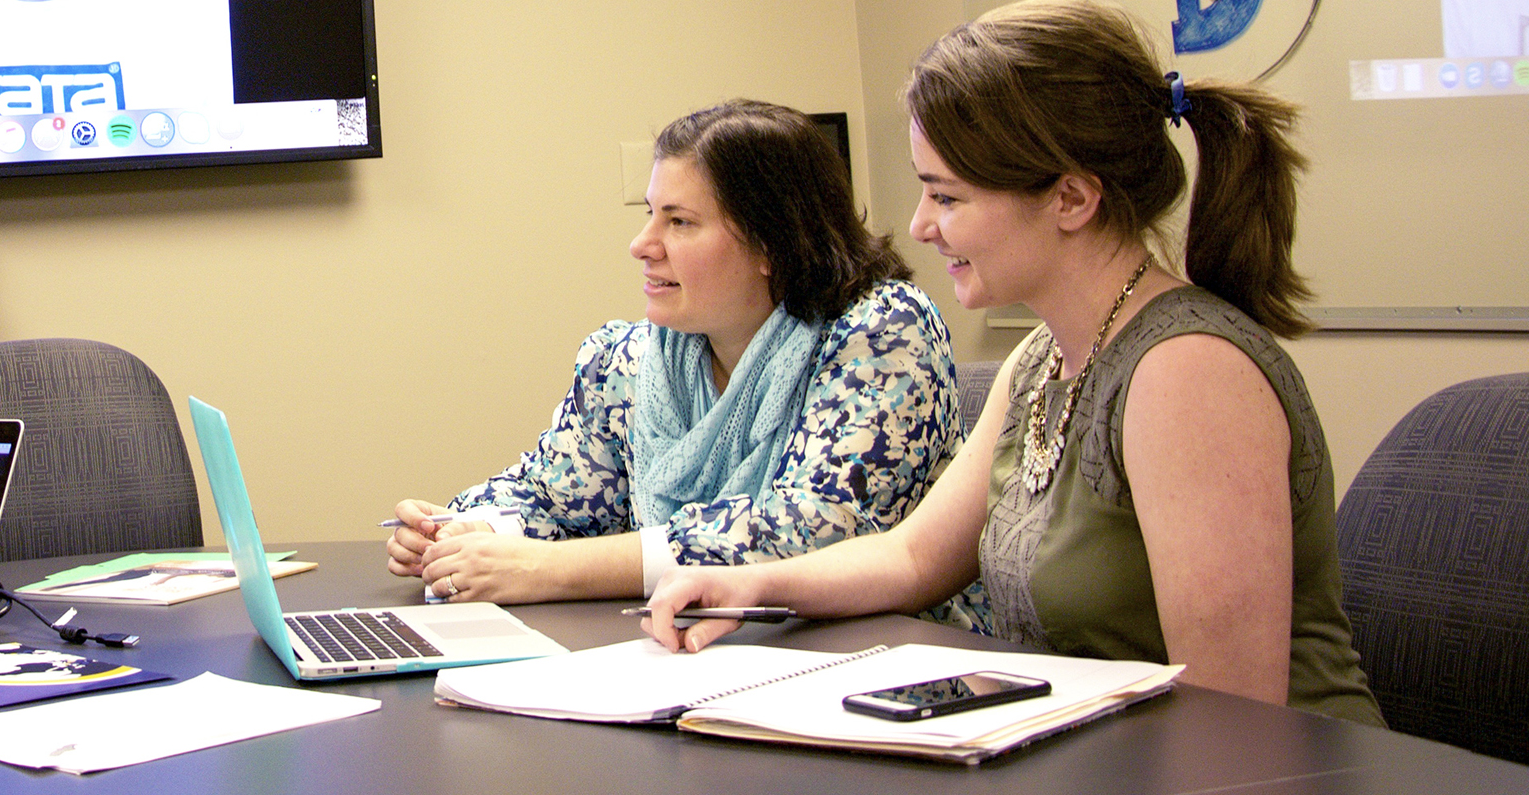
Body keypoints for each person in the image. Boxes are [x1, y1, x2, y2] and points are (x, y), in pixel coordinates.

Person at [643, 0, 1382, 725]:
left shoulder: (1186, 371)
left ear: (1070, 197)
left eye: (948, 196)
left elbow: (1236, 723)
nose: (921, 225)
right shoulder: (1042, 357)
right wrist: (744, 586)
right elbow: (911, 558)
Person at [386, 99, 972, 626]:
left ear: (771, 243)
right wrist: (468, 534)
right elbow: (552, 496)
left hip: (893, 660)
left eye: (679, 221)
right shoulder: (628, 359)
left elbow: (813, 532)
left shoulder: (884, 334)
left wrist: (547, 569)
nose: (643, 243)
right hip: (696, 652)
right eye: (650, 214)